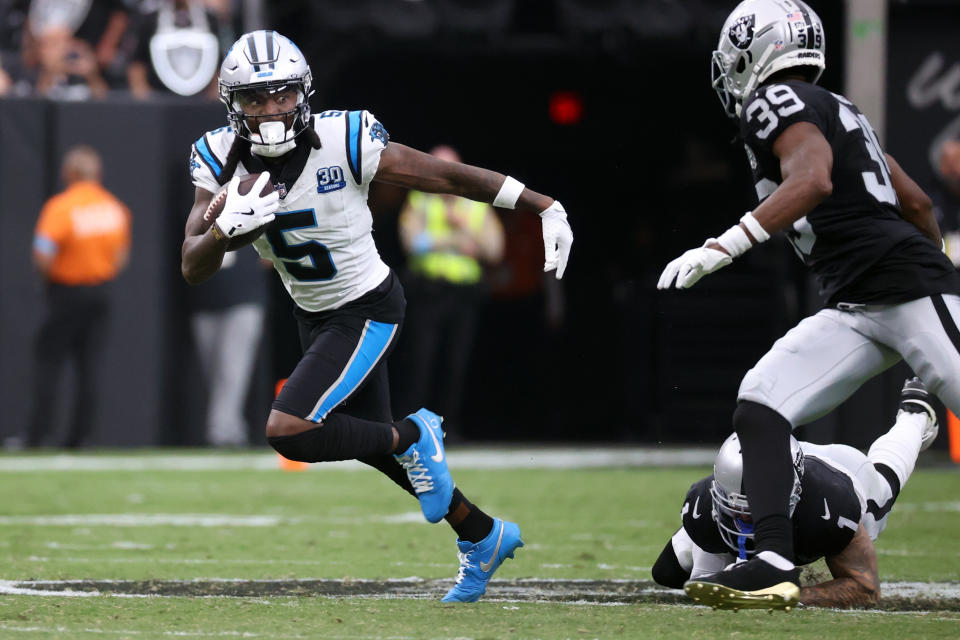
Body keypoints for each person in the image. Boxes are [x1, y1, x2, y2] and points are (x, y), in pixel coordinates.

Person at [180, 30, 573, 602]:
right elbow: (191, 264)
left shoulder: (345, 137)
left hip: (366, 307)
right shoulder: (216, 156)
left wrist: (542, 203)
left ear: (304, 92)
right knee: (379, 449)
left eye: (282, 95)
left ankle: (418, 432)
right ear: (231, 104)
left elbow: (446, 177)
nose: (271, 111)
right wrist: (221, 232)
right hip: (313, 313)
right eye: (255, 99)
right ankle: (482, 534)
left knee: (289, 429)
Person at [657, 0, 960, 610]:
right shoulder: (841, 109)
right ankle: (770, 558)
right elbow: (919, 204)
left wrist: (726, 244)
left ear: (754, 48)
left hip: (902, 288)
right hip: (858, 298)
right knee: (762, 402)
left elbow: (813, 179)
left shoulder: (772, 103)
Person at [652, 378, 939, 609]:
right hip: (783, 464)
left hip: (842, 468)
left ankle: (915, 415)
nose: (744, 517)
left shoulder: (830, 506)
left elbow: (866, 589)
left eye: (754, 509)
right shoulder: (703, 507)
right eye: (735, 508)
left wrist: (789, 596)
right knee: (666, 572)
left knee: (881, 494)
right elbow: (709, 590)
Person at [395, 144, 505, 439]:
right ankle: (414, 427)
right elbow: (410, 242)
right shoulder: (420, 200)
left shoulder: (475, 203)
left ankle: (451, 427)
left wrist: (463, 230)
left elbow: (494, 250)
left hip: (464, 295)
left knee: (456, 362)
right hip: (428, 291)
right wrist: (455, 242)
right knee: (421, 360)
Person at [27, 145, 132, 448]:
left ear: (69, 173)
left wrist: (48, 279)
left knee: (48, 362)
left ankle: (38, 436)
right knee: (90, 366)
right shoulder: (115, 207)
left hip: (66, 291)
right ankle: (80, 438)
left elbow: (42, 254)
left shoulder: (61, 207)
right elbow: (121, 257)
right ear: (98, 173)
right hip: (101, 292)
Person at [187, 248, 269, 448]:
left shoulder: (255, 216)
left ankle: (221, 433)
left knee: (232, 368)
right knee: (213, 370)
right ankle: (233, 429)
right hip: (205, 299)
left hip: (244, 297)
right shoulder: (196, 216)